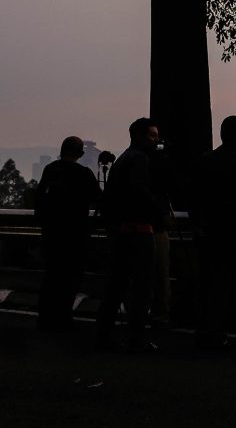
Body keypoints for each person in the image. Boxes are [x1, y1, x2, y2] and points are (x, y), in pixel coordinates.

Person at [96, 117, 166, 352]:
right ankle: (136, 337)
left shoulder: (123, 159)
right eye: (152, 135)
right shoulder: (140, 159)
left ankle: (104, 334)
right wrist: (158, 208)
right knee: (142, 286)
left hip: (121, 231)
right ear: (138, 136)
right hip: (139, 231)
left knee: (116, 285)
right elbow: (139, 191)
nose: (156, 140)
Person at [192, 115, 236, 351]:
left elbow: (195, 196)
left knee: (206, 281)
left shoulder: (206, 160)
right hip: (230, 231)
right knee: (226, 284)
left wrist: (198, 224)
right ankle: (218, 333)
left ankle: (202, 330)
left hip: (207, 229)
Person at [34, 136, 101, 332]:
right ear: (80, 154)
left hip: (52, 233)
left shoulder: (51, 170)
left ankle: (45, 318)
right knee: (70, 278)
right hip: (75, 235)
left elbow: (39, 197)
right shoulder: (83, 173)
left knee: (52, 276)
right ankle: (63, 318)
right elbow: (97, 198)